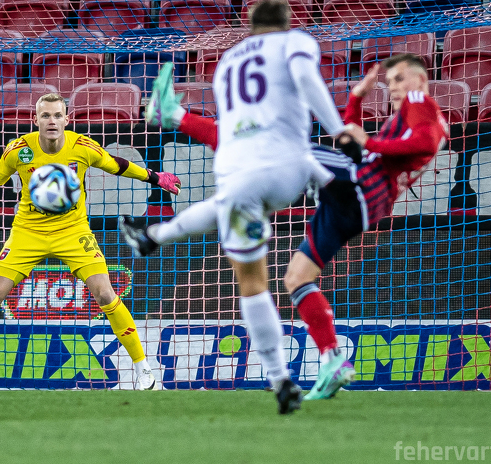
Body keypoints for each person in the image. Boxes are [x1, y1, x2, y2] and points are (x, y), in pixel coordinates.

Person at [125, 53, 448, 401]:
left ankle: (173, 116)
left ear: (420, 79)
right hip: (357, 204)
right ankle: (332, 359)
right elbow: (350, 144)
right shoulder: (407, 115)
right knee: (296, 278)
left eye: (399, 79)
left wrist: (369, 141)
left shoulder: (421, 101)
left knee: (265, 146)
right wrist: (355, 100)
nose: (393, 86)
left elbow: (421, 142)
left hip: (360, 186)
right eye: (391, 80)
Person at [124, 0, 349, 414]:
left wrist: (179, 119)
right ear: (287, 22)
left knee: (252, 282)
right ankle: (155, 234)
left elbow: (230, 131)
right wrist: (340, 129)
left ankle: (280, 378)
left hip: (239, 173)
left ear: (248, 25)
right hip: (292, 168)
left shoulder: (228, 63)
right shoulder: (294, 42)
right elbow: (303, 76)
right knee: (321, 175)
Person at [0, 92, 182, 391]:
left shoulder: (82, 146)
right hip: (27, 232)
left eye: (57, 115)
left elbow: (117, 164)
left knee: (106, 295)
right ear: (36, 120)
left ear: (66, 119)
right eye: (45, 115)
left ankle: (144, 371)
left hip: (73, 231)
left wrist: (154, 177)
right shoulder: (19, 150)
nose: (52, 121)